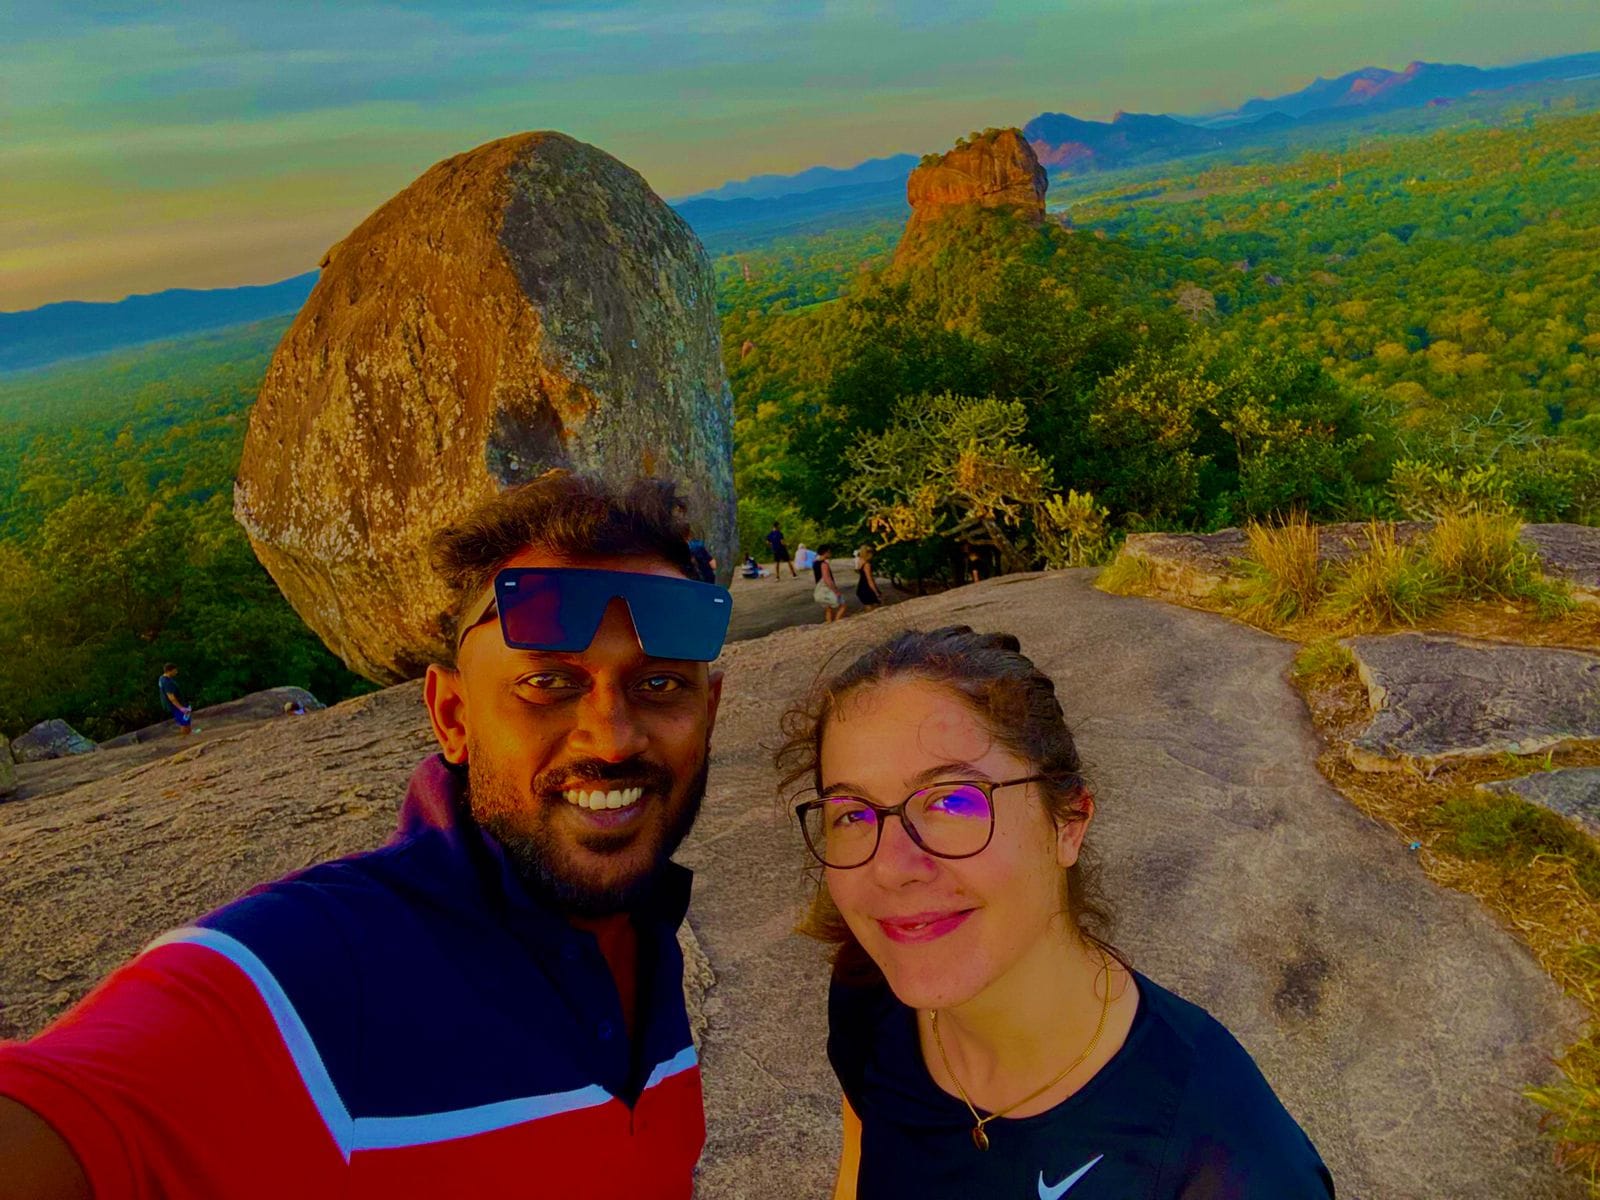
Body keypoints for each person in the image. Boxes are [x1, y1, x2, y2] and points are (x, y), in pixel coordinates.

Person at [0, 471, 732, 1199]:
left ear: (712, 708)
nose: (611, 738)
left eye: (660, 684)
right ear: (452, 717)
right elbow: (67, 1113)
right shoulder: (310, 974)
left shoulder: (641, 925)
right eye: (548, 684)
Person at [781, 627, 1335, 1199]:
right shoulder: (869, 994)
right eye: (850, 813)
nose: (892, 867)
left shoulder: (1231, 1162)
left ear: (1067, 822)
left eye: (952, 800)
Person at [157, 663, 194, 736]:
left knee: (186, 720)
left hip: (179, 703)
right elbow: (171, 698)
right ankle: (186, 737)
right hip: (176, 705)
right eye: (174, 671)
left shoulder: (162, 678)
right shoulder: (167, 682)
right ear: (168, 671)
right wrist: (181, 708)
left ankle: (189, 734)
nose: (176, 672)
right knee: (184, 722)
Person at [812, 545, 846, 624]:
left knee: (828, 608)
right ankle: (837, 621)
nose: (830, 553)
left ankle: (829, 622)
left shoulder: (815, 563)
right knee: (842, 605)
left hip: (819, 588)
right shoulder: (824, 564)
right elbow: (827, 579)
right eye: (829, 552)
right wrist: (836, 590)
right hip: (826, 588)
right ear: (825, 552)